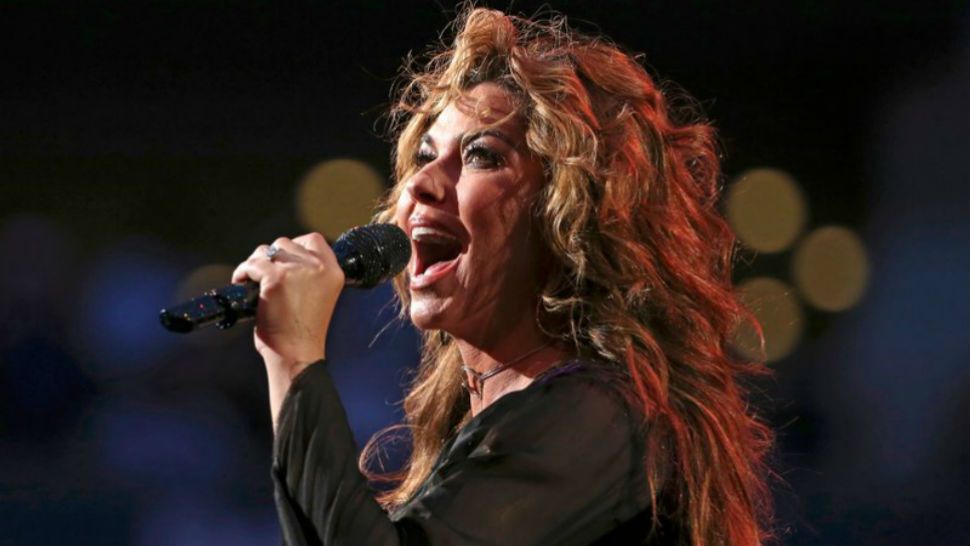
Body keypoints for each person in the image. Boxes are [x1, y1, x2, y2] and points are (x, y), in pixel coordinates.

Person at [231, 7, 773, 546]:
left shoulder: (600, 413)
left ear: (572, 213)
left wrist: (296, 357)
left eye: (481, 155)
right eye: (424, 155)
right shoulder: (490, 415)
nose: (420, 184)